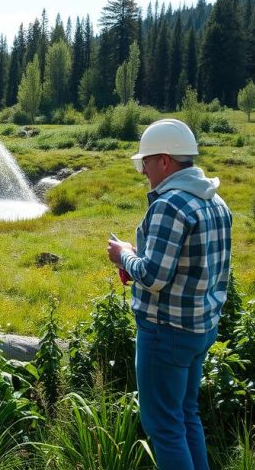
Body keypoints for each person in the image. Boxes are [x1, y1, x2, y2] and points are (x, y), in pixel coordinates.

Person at [106, 118, 233, 470]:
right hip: (201, 328)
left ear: (164, 160)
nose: (143, 171)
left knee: (162, 426)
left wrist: (124, 255)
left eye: (144, 162)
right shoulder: (216, 201)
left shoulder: (169, 205)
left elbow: (154, 276)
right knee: (186, 415)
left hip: (166, 332)